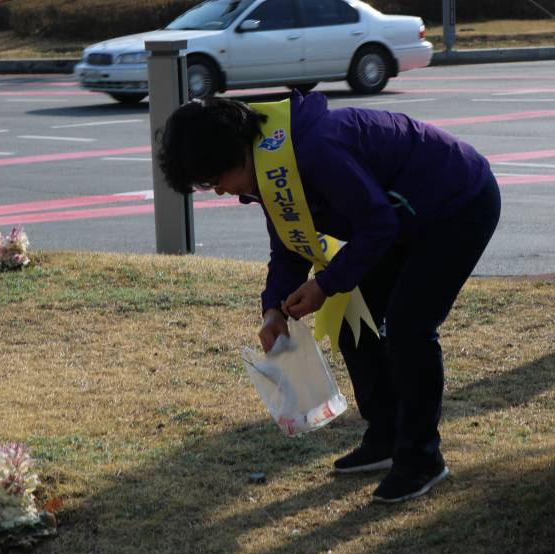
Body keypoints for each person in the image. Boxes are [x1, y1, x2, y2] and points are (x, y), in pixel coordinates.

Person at [157, 91, 500, 503]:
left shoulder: (316, 150)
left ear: (234, 154)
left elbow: (378, 226)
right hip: (399, 215)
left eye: (213, 181)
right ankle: (386, 435)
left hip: (458, 202)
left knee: (409, 325)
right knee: (351, 315)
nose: (217, 192)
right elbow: (288, 245)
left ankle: (421, 460)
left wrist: (324, 284)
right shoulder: (269, 160)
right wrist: (272, 309)